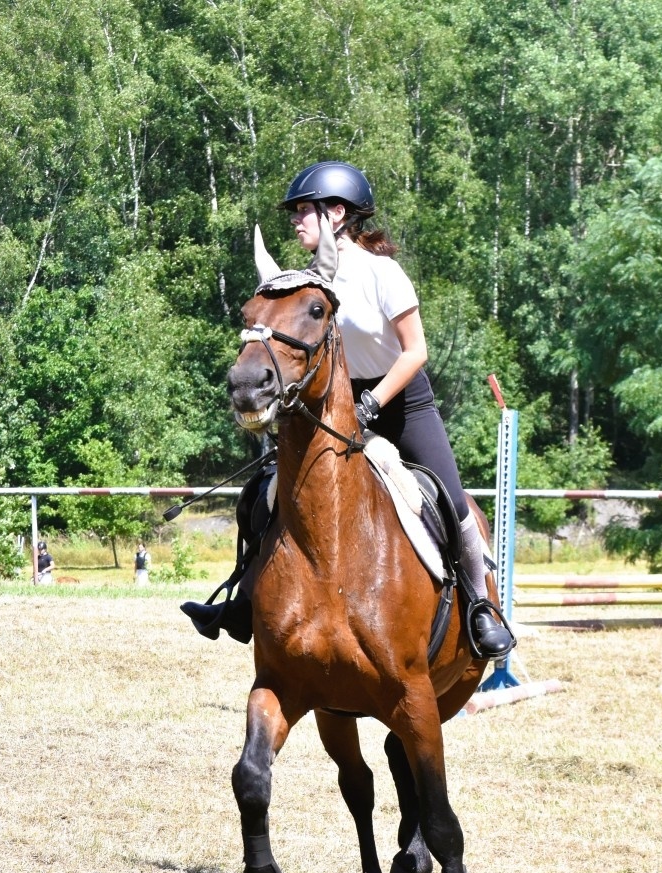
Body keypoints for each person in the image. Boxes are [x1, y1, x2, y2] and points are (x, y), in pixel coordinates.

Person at [183, 161, 514, 658]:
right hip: (332, 406)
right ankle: (243, 598)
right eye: (294, 212)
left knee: (452, 502)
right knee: (264, 495)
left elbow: (415, 350)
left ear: (337, 213)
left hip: (400, 401)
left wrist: (373, 402)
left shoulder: (383, 272)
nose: (296, 221)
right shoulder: (306, 281)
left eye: (304, 211)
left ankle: (480, 607)